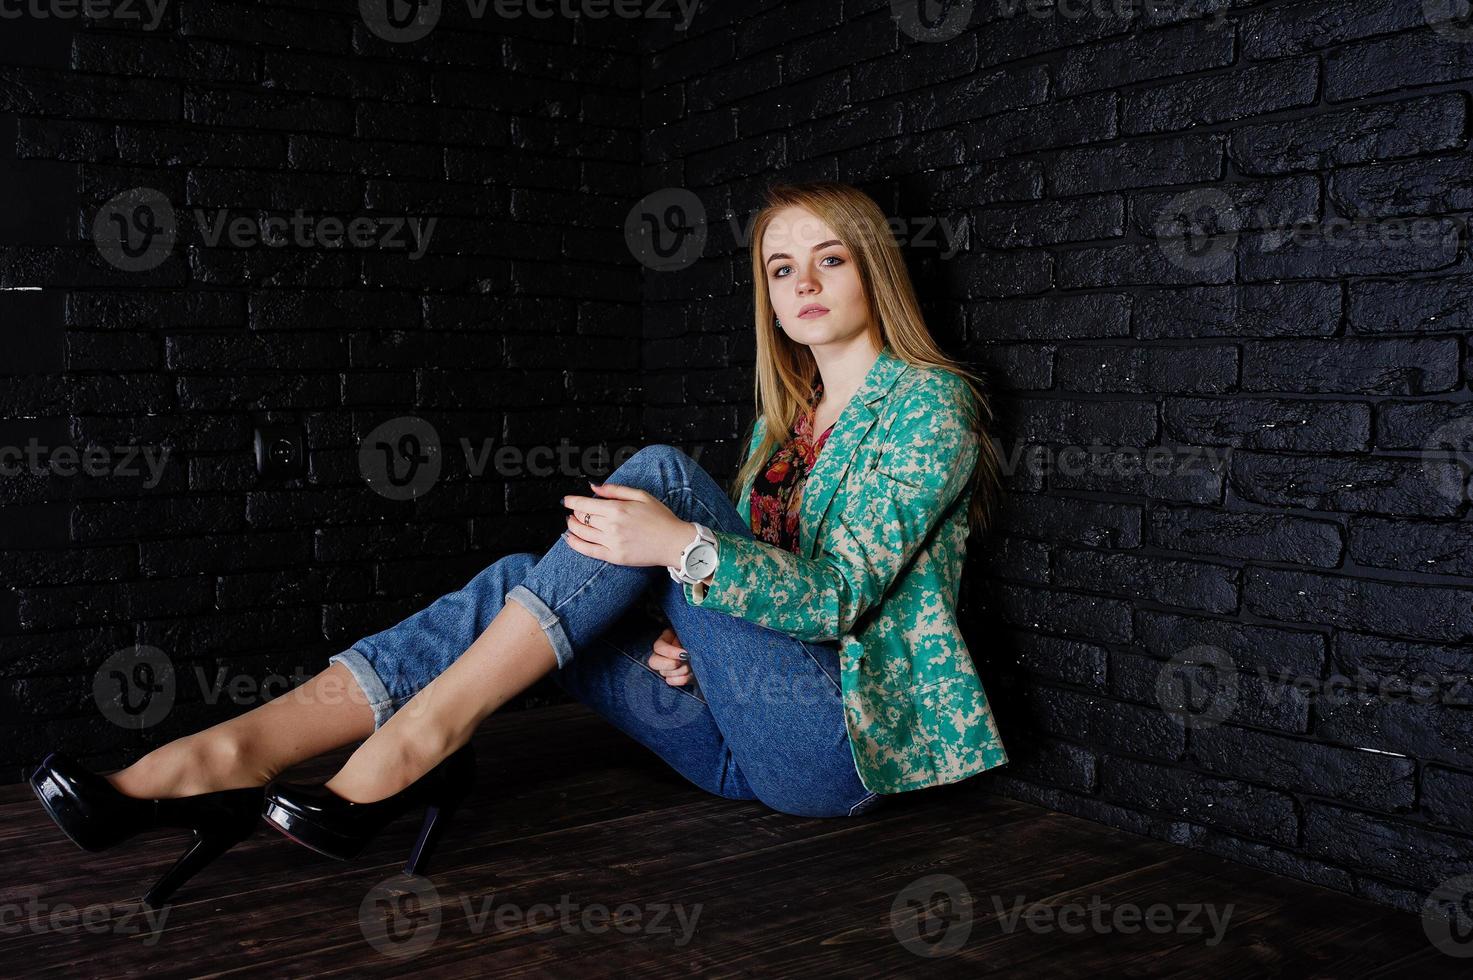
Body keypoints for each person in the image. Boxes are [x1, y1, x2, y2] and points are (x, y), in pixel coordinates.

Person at [28, 180, 1010, 908]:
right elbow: (748, 591)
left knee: (661, 475)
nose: (801, 282)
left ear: (874, 265)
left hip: (837, 749)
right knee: (512, 583)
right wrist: (688, 632)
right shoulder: (782, 420)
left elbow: (838, 596)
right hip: (729, 737)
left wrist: (682, 551)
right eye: (780, 266)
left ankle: (415, 738)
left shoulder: (932, 404)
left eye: (829, 258)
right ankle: (230, 750)